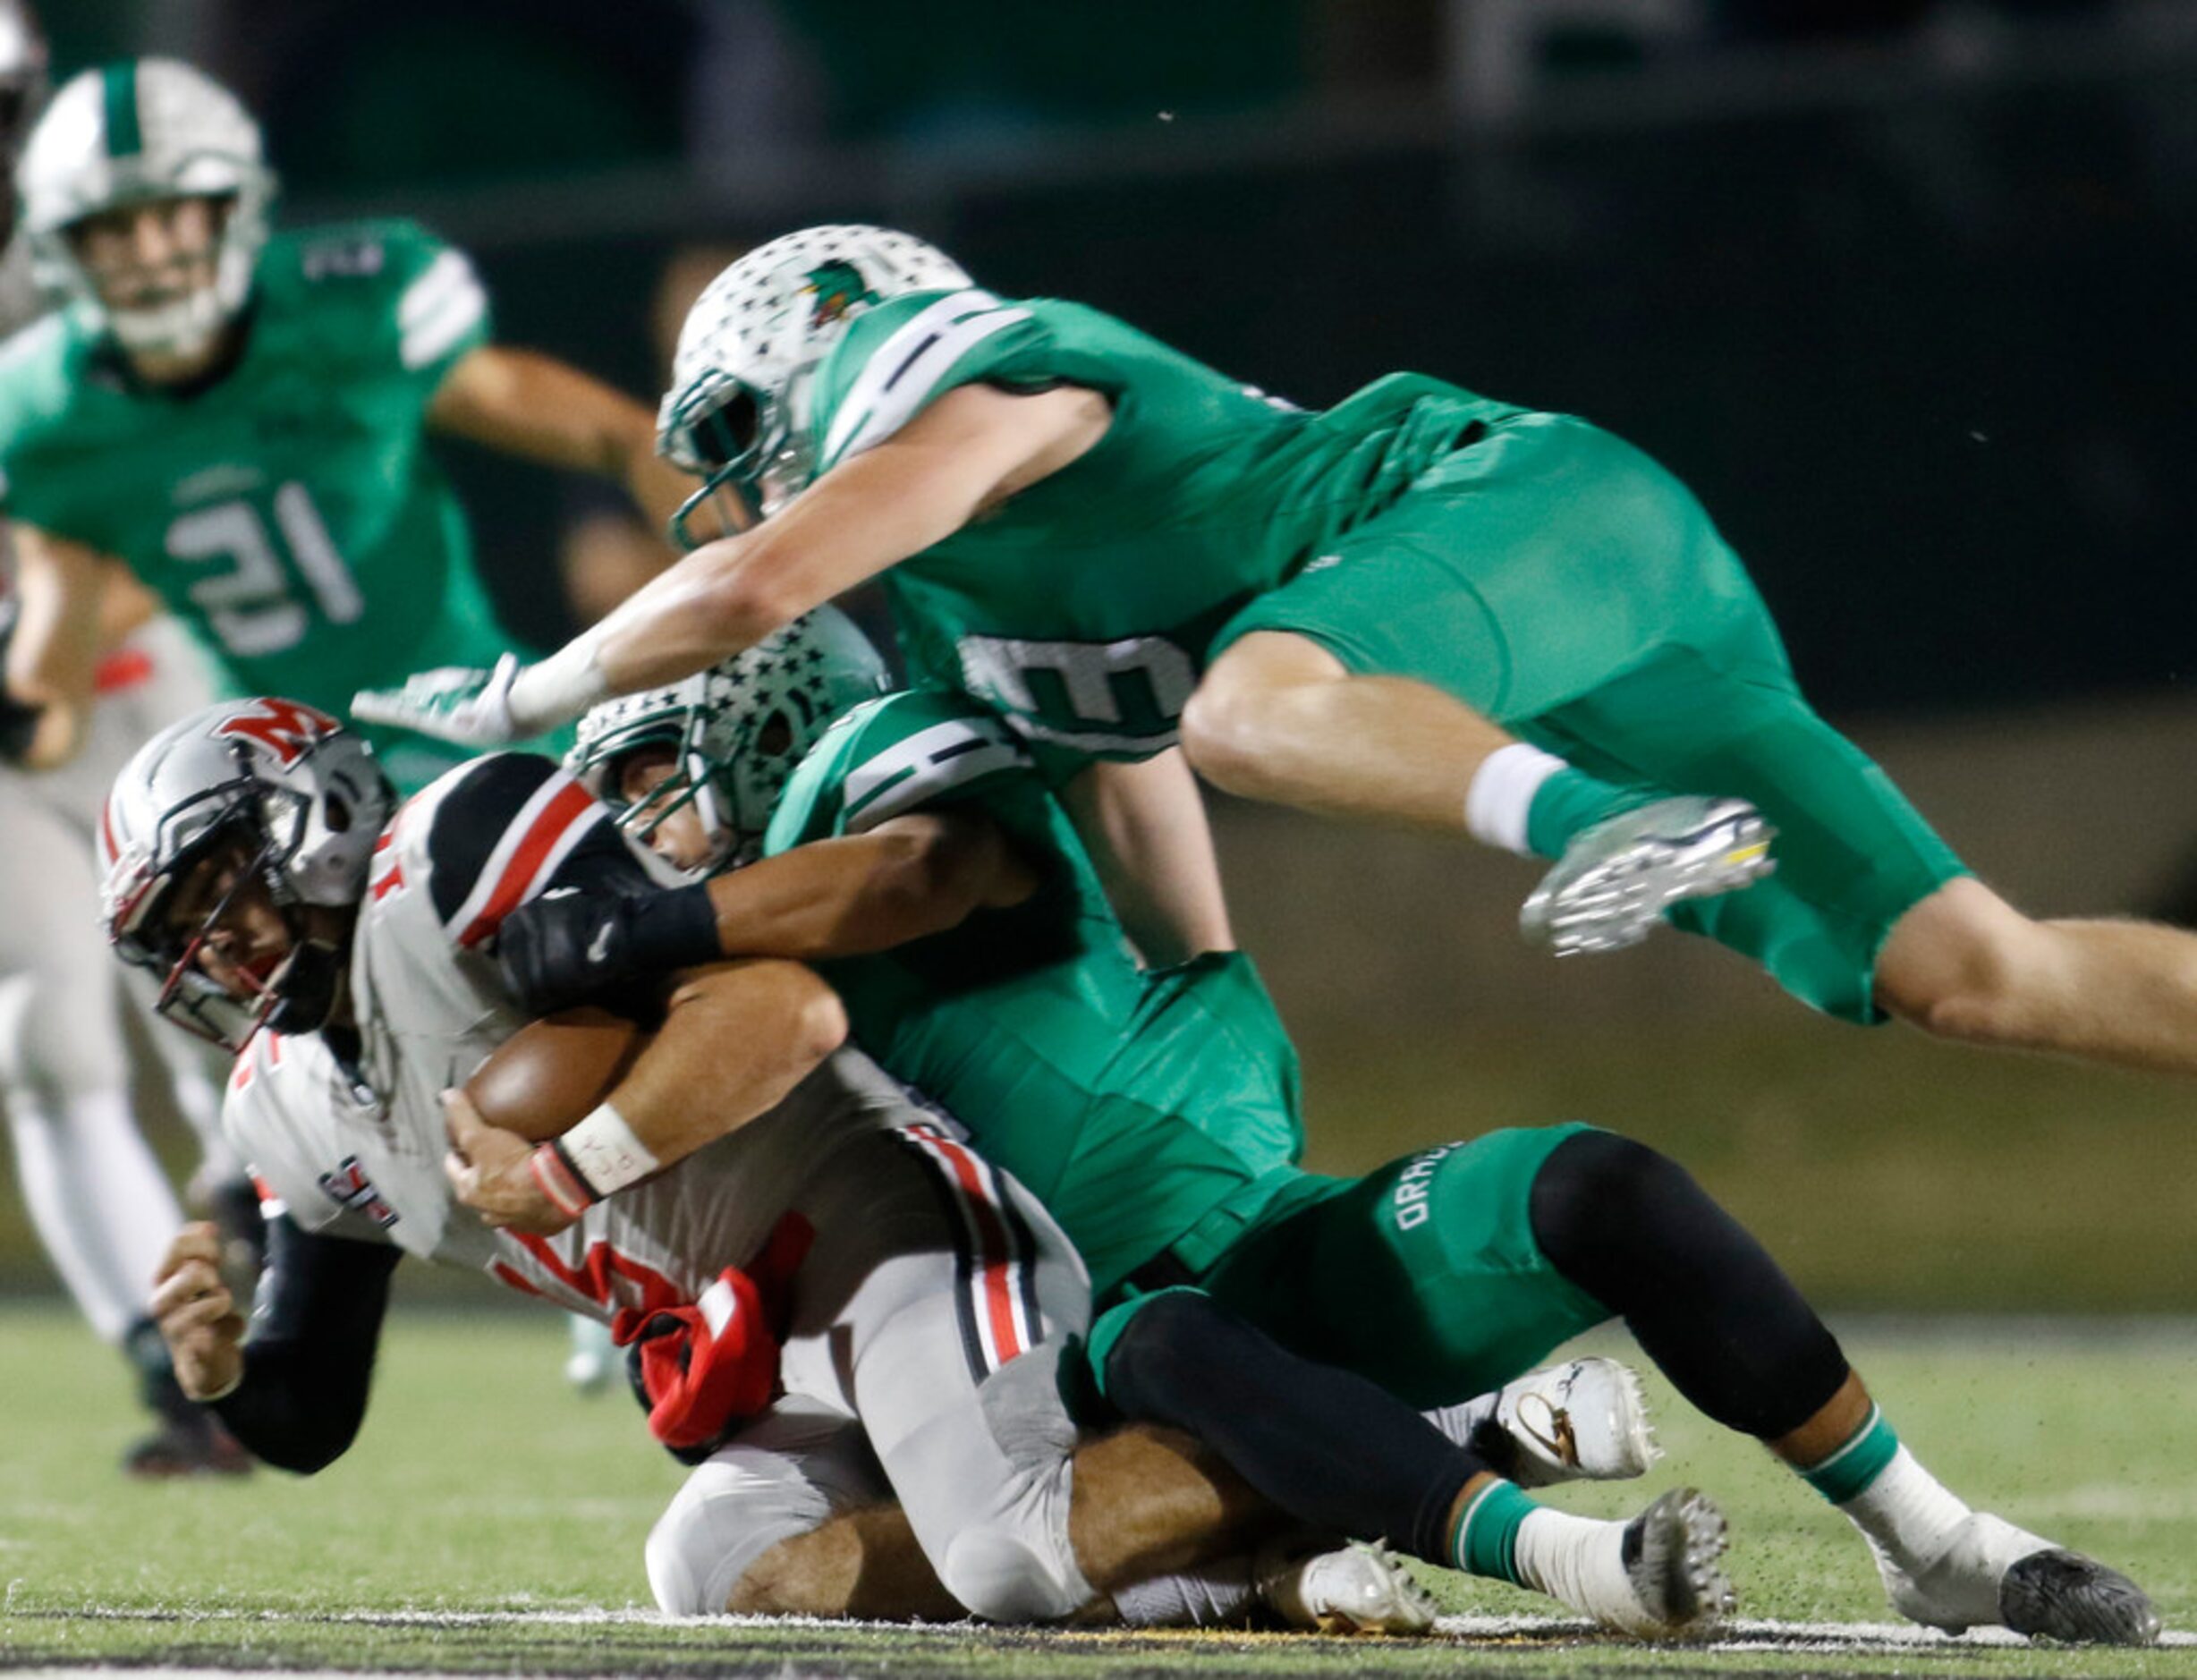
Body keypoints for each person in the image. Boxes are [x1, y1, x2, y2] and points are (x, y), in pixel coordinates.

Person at [479, 616, 2159, 1646]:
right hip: (1078, 1332)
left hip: (1268, 1231)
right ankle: (1560, 1547)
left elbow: (932, 863)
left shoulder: (872, 805)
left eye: (661, 783)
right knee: (1159, 1345)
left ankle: (1930, 1538)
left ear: (772, 727)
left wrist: (660, 930)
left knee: (1596, 1181)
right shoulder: (736, 976)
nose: (650, 842)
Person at [362, 224, 2197, 1074]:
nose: (749, 491)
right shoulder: (966, 611)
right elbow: (1124, 768)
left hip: (1525, 509)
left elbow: (750, 591)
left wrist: (521, 691)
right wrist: (1211, 998)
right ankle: (1599, 818)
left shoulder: (964, 374)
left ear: (815, 348)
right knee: (1978, 975)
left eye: (745, 440)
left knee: (1258, 701)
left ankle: (1587, 831)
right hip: (1551, 644)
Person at [109, 695, 1704, 1636]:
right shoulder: (279, 1106)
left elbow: (784, 1006)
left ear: (306, 811)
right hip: (757, 1328)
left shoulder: (453, 858)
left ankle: (1428, 1427)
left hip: (874, 1211)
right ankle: (1272, 1549)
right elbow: (309, 1407)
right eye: (178, 935)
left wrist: (580, 1161)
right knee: (717, 1567)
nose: (216, 946)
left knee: (1006, 1546)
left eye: (220, 891)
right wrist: (229, 1371)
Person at [1, 57, 691, 794]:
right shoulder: (46, 417)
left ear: (232, 207)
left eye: (171, 213)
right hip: (278, 777)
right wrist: (21, 713)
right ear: (61, 247)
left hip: (473, 723)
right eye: (110, 229)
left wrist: (726, 556)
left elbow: (613, 435)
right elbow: (56, 659)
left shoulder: (346, 313)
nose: (148, 254)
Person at [0, 5, 252, 1477]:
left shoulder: (87, 259)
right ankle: (179, 1364)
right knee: (42, 1039)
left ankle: (255, 1276)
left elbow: (180, 488)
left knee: (223, 1021)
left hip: (141, 677)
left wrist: (50, 641)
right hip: (21, 715)